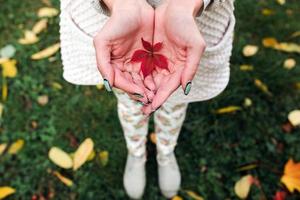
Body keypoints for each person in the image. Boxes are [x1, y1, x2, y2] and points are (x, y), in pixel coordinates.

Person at [60, 0, 235, 198]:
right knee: (130, 92)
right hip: (117, 19)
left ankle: (166, 151)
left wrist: (187, 4)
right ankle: (136, 151)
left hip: (190, 18)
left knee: (176, 95)